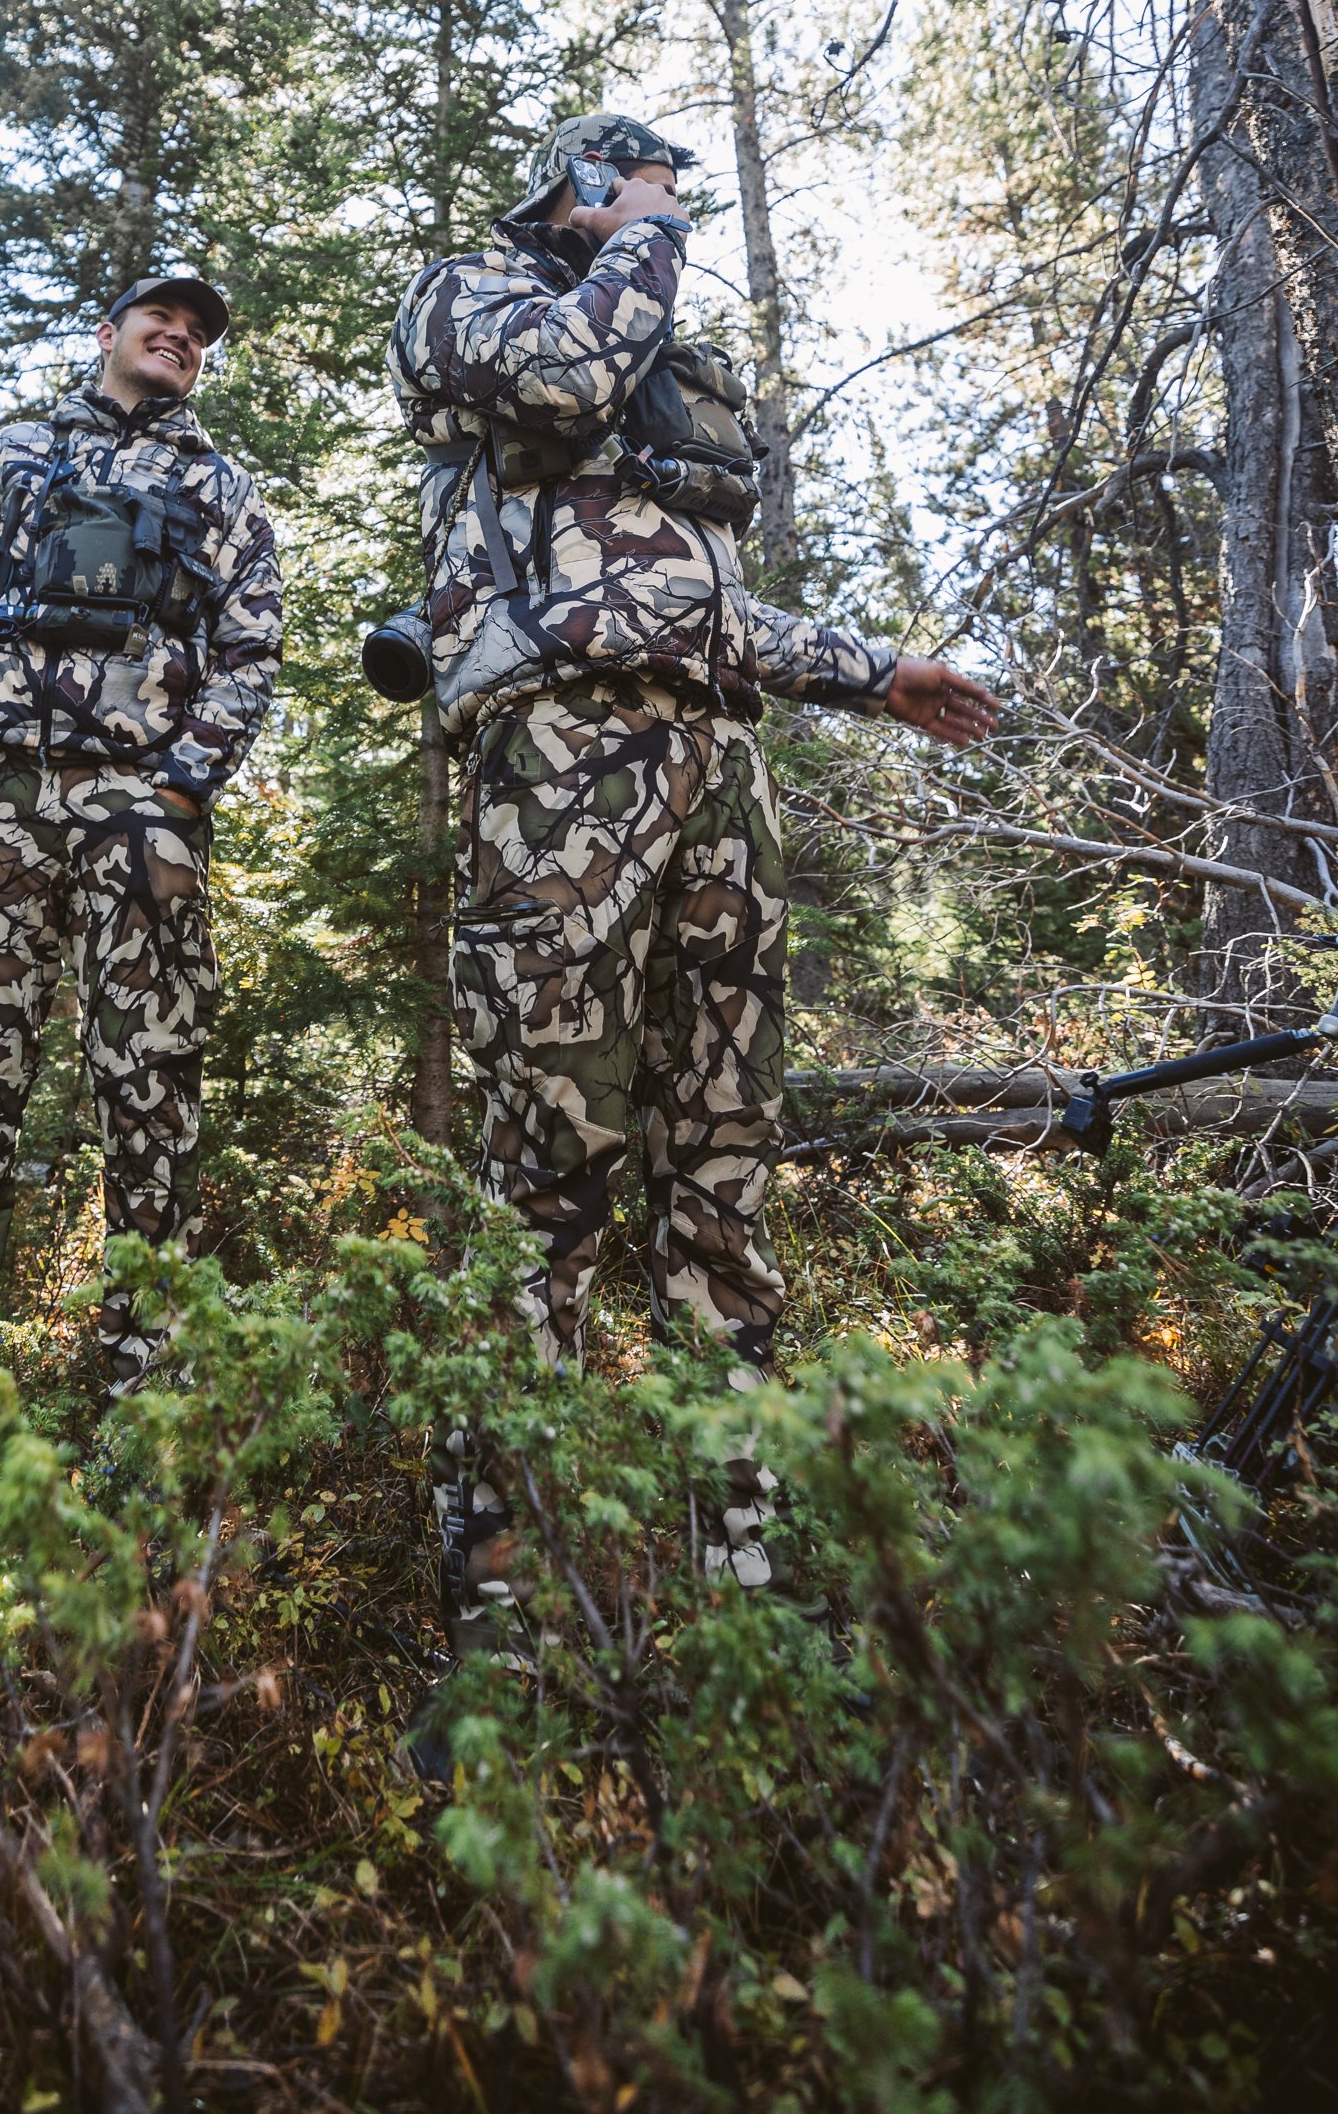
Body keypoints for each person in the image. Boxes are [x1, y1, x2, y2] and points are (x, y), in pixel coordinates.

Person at [388, 115, 998, 1651]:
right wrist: (648, 225)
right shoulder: (471, 300)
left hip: (717, 769)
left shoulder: (666, 358)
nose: (657, 212)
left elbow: (707, 611)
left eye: (660, 194)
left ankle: (744, 1585)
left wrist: (876, 672)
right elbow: (563, 377)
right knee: (545, 1167)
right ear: (569, 192)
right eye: (627, 185)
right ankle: (500, 1611)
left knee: (723, 1163)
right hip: (560, 761)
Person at [0, 274, 281, 1480]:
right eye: (157, 320)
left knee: (153, 1108)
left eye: (194, 333)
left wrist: (182, 783)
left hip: (141, 817)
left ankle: (145, 1417)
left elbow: (251, 644)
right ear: (109, 335)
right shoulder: (8, 454)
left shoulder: (218, 486)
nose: (176, 336)